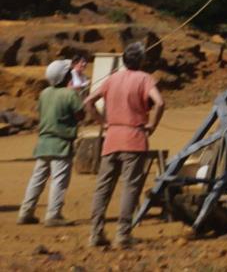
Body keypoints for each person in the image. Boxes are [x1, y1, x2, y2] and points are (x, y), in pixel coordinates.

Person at [83, 41, 163, 250]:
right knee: (130, 187)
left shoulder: (112, 79)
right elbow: (160, 102)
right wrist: (153, 124)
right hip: (135, 137)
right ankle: (122, 234)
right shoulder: (145, 78)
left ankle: (95, 233)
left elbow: (89, 102)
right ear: (142, 60)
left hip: (112, 137)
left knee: (103, 186)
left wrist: (103, 123)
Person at [15, 58, 83, 226]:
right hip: (61, 143)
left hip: (44, 143)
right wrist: (75, 95)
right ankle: (53, 215)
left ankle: (25, 212)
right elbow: (81, 115)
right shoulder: (70, 94)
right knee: (59, 179)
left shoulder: (45, 93)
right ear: (66, 76)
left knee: (37, 179)